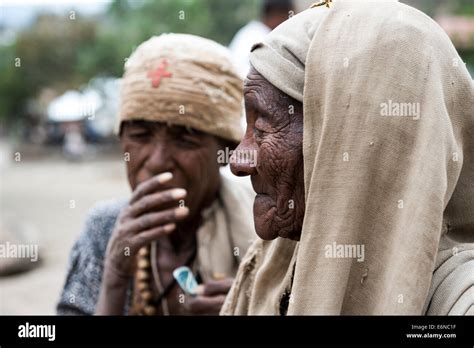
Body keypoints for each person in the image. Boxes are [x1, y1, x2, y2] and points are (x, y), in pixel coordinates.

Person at [221, 0, 474, 315]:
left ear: (351, 137)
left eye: (261, 126)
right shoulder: (275, 269)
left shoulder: (459, 303)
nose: (238, 162)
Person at [57, 34, 255, 315]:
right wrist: (114, 279)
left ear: (227, 151)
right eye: (140, 135)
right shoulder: (104, 230)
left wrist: (254, 306)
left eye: (185, 139)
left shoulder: (267, 236)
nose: (159, 161)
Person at [229, 0, 294, 77]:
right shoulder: (261, 38)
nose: (292, 20)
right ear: (277, 14)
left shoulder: (251, 31)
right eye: (290, 15)